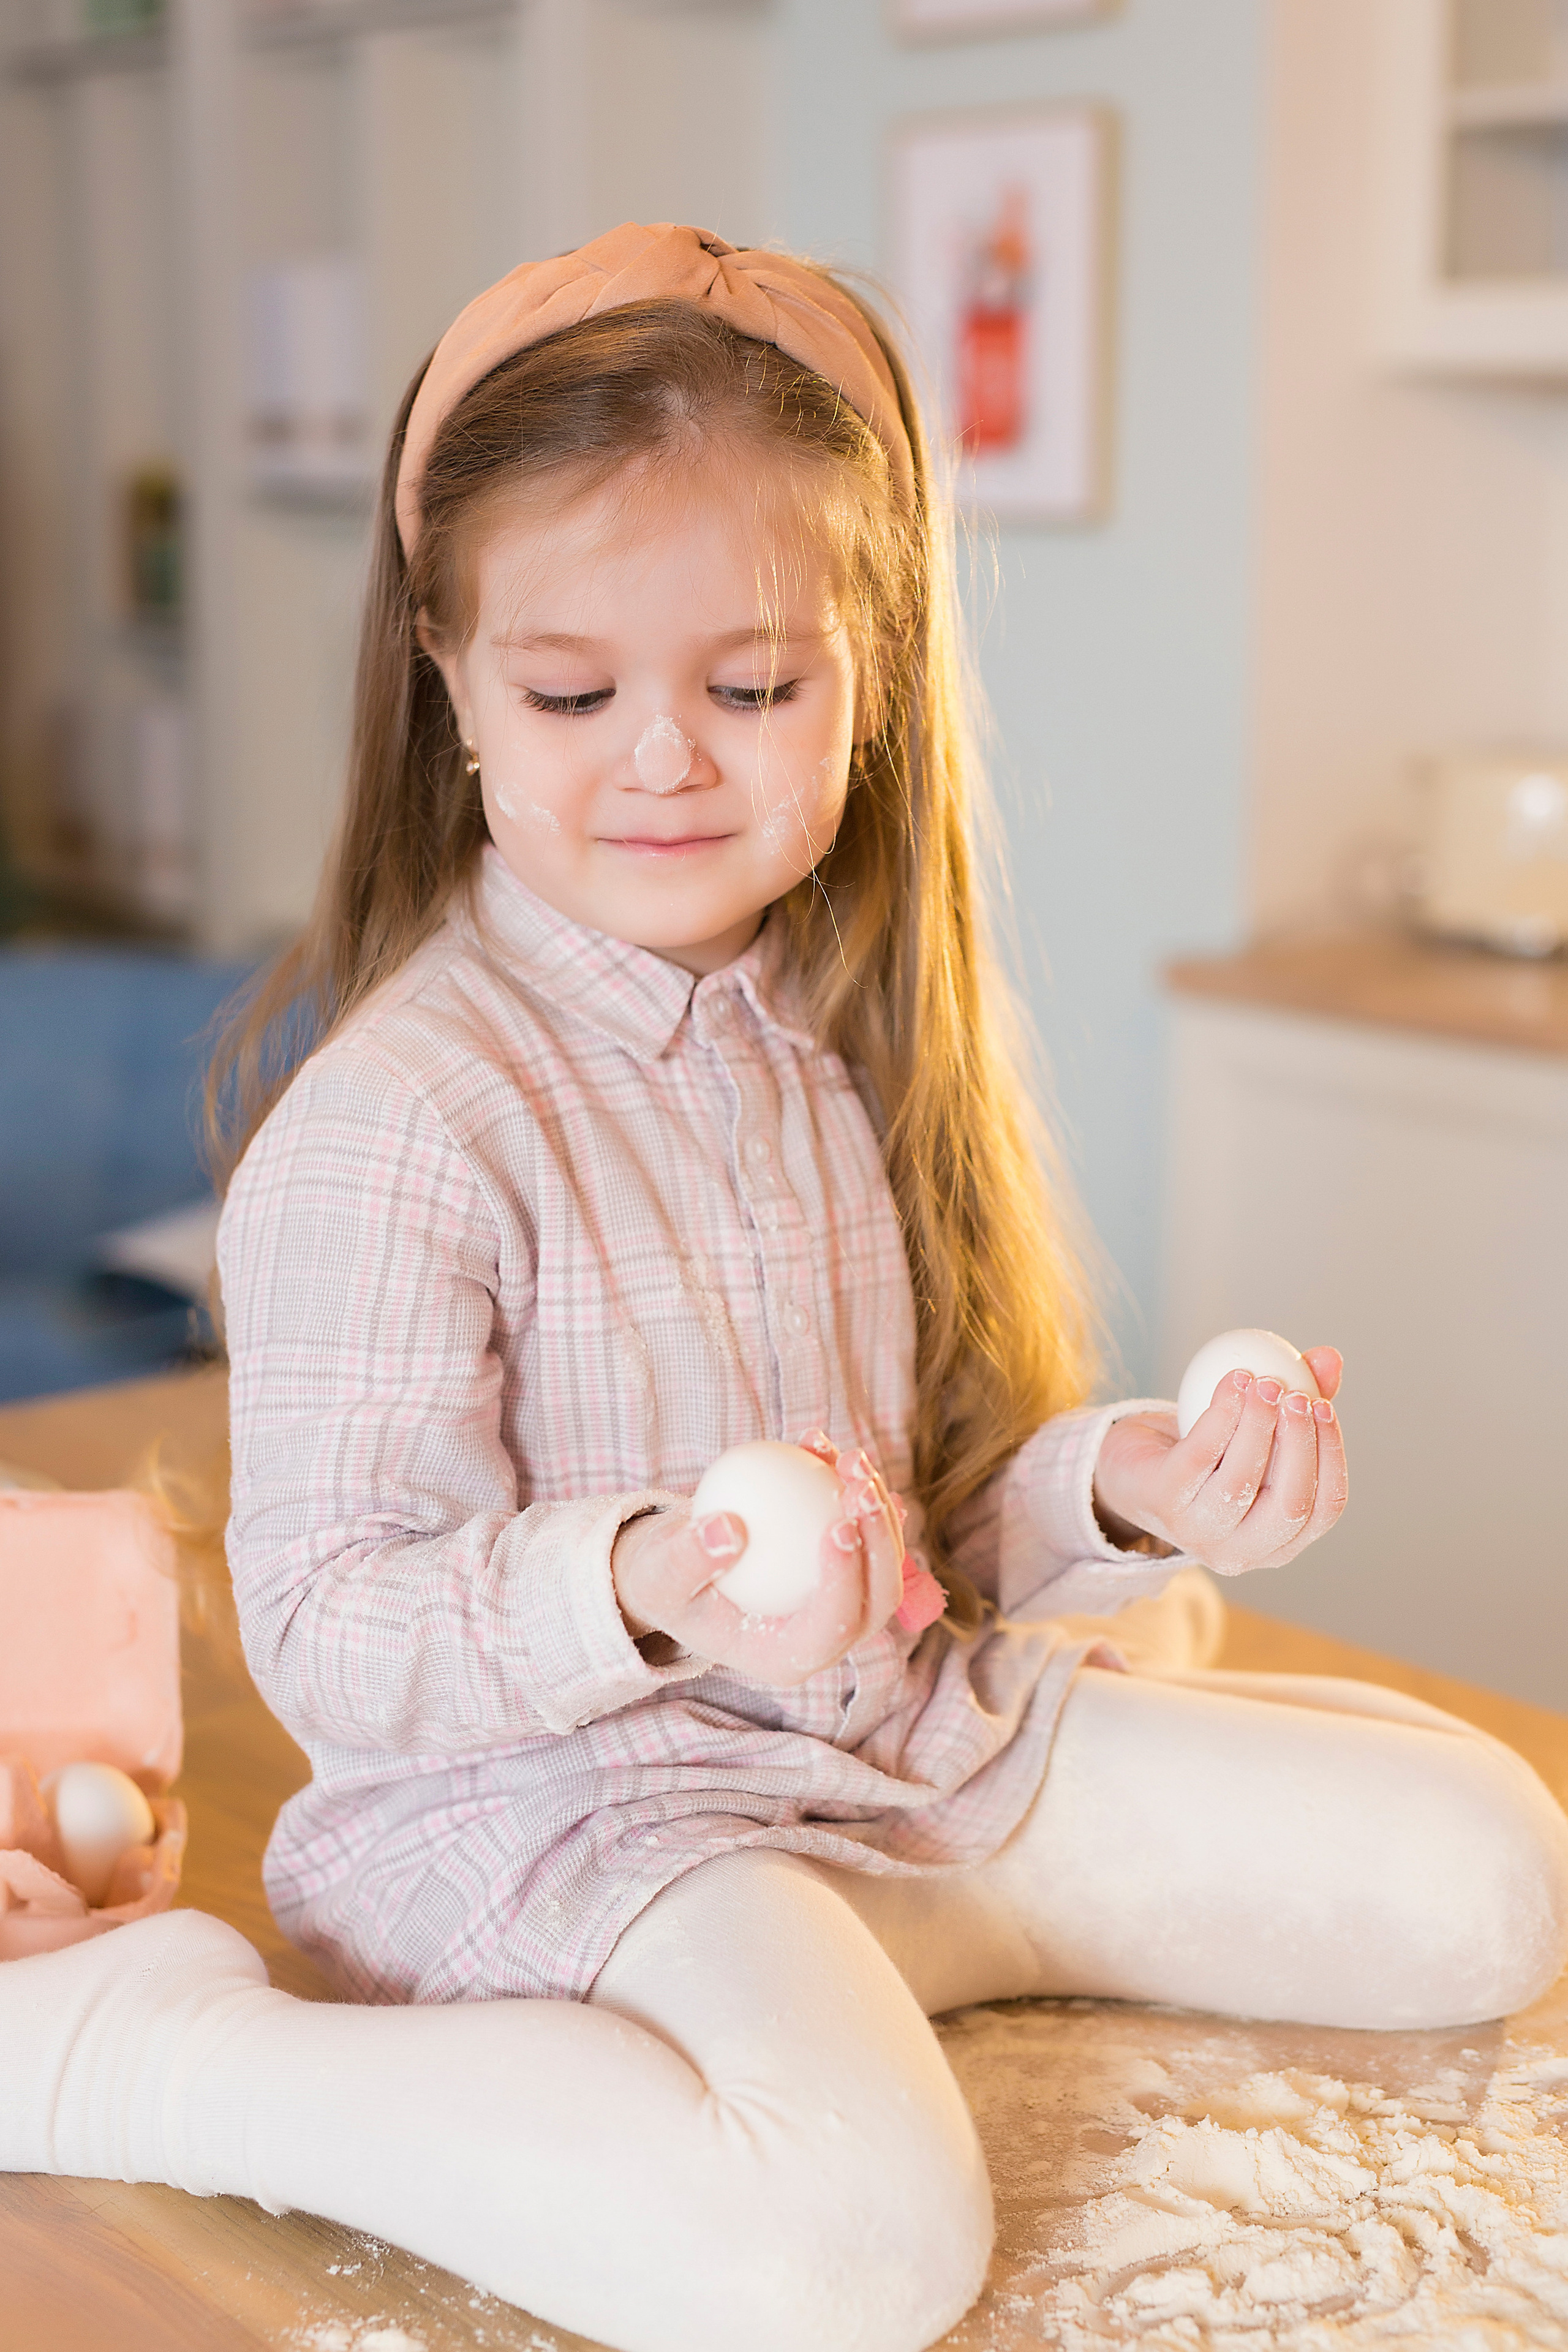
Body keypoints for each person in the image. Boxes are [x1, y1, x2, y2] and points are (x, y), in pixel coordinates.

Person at [3, 225, 1565, 2352]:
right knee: (840, 2257)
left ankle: (869, 1966)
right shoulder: (399, 1124)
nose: (665, 757)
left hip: (892, 1762)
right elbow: (337, 1638)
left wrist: (1126, 1489)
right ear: (452, 681)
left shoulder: (818, 1048)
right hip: (579, 1808)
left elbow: (909, 1537)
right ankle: (151, 2054)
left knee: (1489, 1878)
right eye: (573, 694)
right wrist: (649, 1582)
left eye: (752, 691)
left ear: (871, 677)